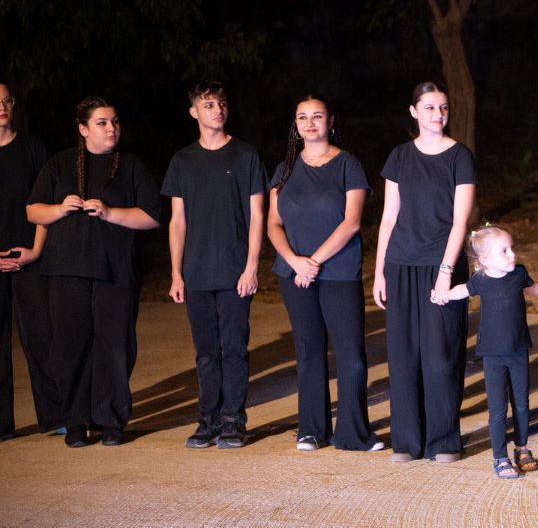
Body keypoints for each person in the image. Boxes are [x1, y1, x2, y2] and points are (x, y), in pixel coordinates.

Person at [26, 97, 160, 447]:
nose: (111, 128)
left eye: (114, 121)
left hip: (114, 270)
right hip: (66, 269)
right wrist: (60, 208)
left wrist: (109, 212)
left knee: (114, 346)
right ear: (83, 129)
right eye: (102, 123)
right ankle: (75, 421)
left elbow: (151, 217)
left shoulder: (130, 165)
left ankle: (110, 420)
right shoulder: (59, 164)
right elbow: (33, 211)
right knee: (70, 346)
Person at [266, 96, 382, 452]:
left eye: (317, 116)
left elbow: (351, 222)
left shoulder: (348, 164)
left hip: (339, 271)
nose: (310, 123)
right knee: (308, 351)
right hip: (293, 274)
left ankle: (353, 434)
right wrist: (294, 261)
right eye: (302, 117)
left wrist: (312, 261)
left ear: (330, 121)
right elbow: (273, 224)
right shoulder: (284, 168)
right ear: (296, 125)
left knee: (350, 354)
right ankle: (312, 430)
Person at [373, 82, 475, 462]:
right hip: (401, 264)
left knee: (441, 354)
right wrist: (380, 271)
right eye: (430, 107)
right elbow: (388, 217)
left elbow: (460, 220)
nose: (438, 114)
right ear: (414, 112)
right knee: (403, 355)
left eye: (443, 107)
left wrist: (446, 271)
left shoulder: (460, 156)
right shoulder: (400, 156)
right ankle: (407, 441)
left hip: (442, 264)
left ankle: (443, 440)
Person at [162, 81, 266, 450]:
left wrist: (252, 266)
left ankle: (233, 421)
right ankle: (208, 420)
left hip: (235, 269)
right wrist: (176, 273)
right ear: (194, 112)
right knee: (205, 351)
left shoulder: (245, 155)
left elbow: (257, 215)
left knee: (233, 347)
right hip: (197, 272)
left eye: (221, 103)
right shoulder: (183, 160)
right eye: (208, 105)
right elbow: (178, 221)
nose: (217, 110)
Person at [432, 225, 538, 479]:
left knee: (521, 403)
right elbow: (462, 291)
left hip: (518, 350)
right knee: (498, 408)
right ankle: (500, 457)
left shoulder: (518, 274)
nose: (513, 254)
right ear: (485, 260)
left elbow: (533, 288)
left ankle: (522, 448)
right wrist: (443, 295)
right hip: (492, 354)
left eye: (512, 248)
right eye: (504, 251)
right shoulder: (481, 280)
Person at [0, 83, 52, 439]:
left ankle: (55, 415)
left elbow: (46, 204)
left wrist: (35, 251)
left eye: (6, 101)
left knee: (41, 336)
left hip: (30, 257)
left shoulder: (32, 148)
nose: (2, 107)